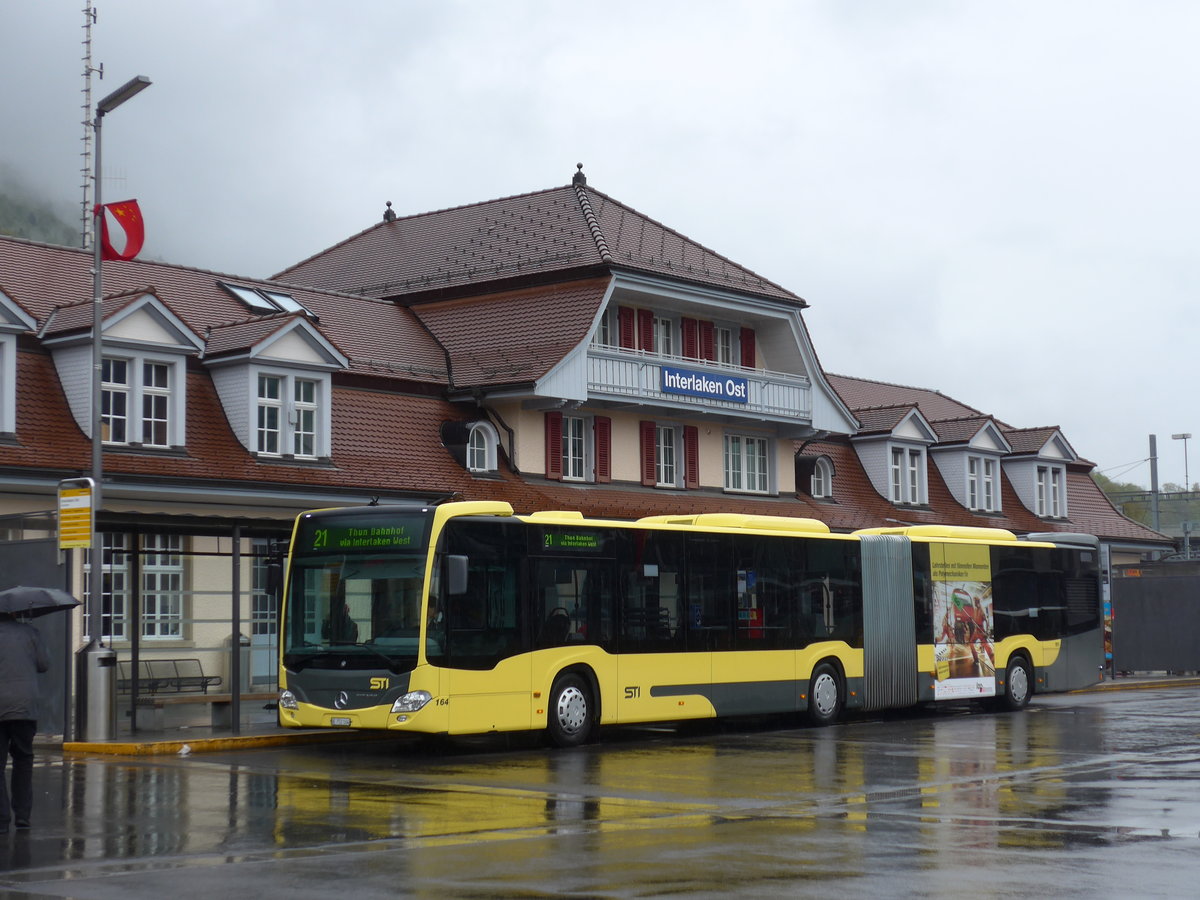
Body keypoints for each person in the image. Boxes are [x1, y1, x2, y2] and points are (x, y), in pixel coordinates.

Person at [0, 613, 49, 834]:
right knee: (23, 759)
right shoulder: (30, 633)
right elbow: (43, 664)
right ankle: (22, 815)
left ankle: (1, 819)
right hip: (25, 706)